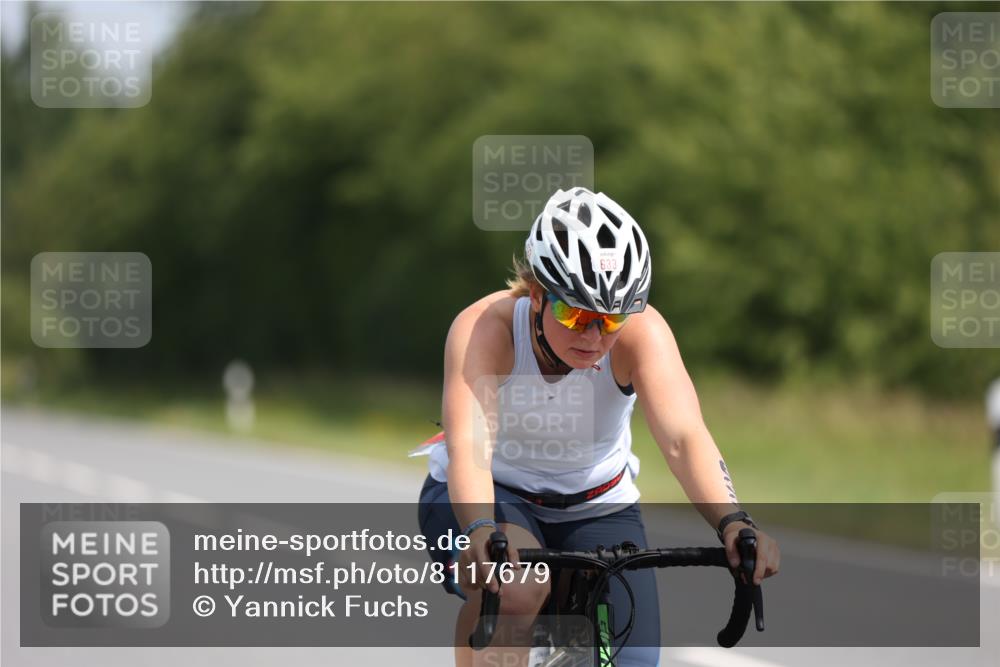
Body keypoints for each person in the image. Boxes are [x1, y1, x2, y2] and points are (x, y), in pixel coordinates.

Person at [414, 187, 780, 667]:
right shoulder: (487, 327)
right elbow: (470, 445)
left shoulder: (642, 334)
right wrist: (481, 528)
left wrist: (734, 521)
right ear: (537, 294)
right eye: (577, 314)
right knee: (518, 589)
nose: (594, 336)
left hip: (597, 504)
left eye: (611, 320)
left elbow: (683, 436)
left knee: (631, 660)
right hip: (493, 494)